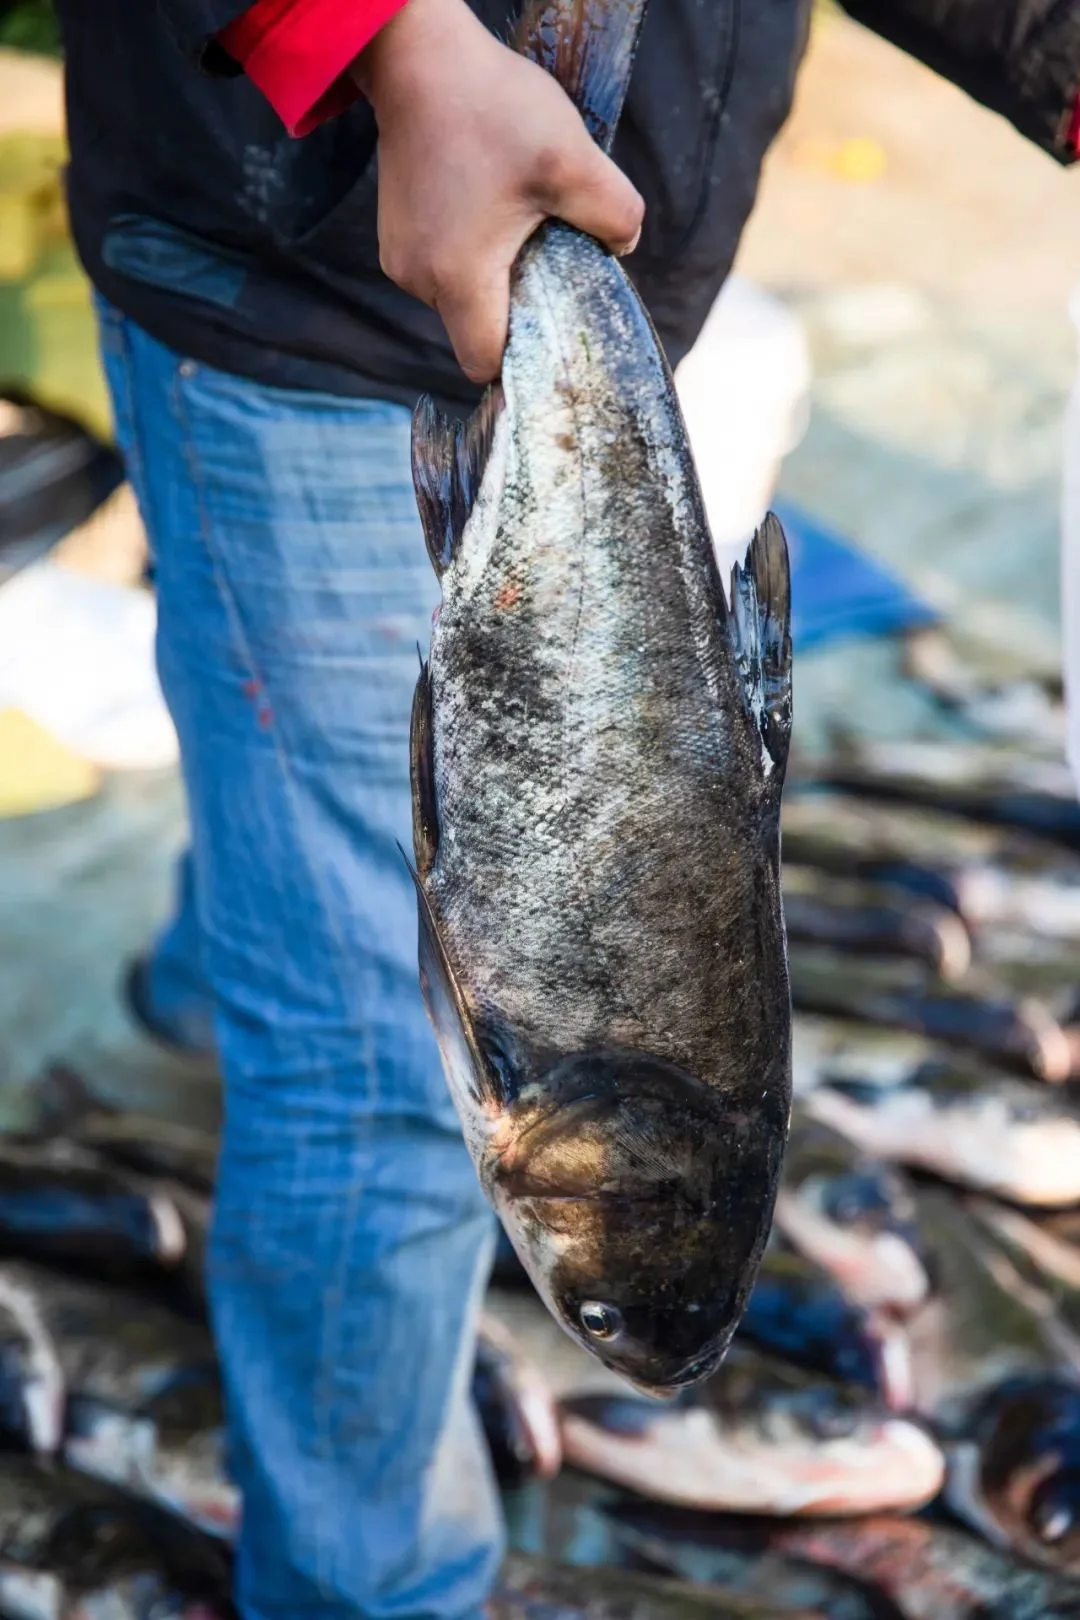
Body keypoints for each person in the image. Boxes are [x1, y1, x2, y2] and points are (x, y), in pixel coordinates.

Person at [52, 0, 1080, 1615]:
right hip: (299, 291)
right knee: (375, 1075)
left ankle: (209, 989)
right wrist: (384, 39)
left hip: (621, 235)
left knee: (361, 860)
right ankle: (363, 1590)